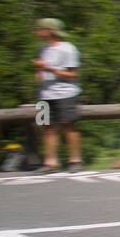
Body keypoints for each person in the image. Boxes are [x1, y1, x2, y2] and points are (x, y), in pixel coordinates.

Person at [31, 17, 82, 173]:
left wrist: (48, 69)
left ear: (49, 31)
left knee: (68, 126)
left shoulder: (68, 49)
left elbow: (73, 75)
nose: (37, 32)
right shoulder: (41, 50)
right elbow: (38, 76)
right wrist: (39, 70)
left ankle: (75, 160)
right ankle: (50, 163)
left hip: (65, 94)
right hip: (44, 94)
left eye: (40, 29)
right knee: (47, 127)